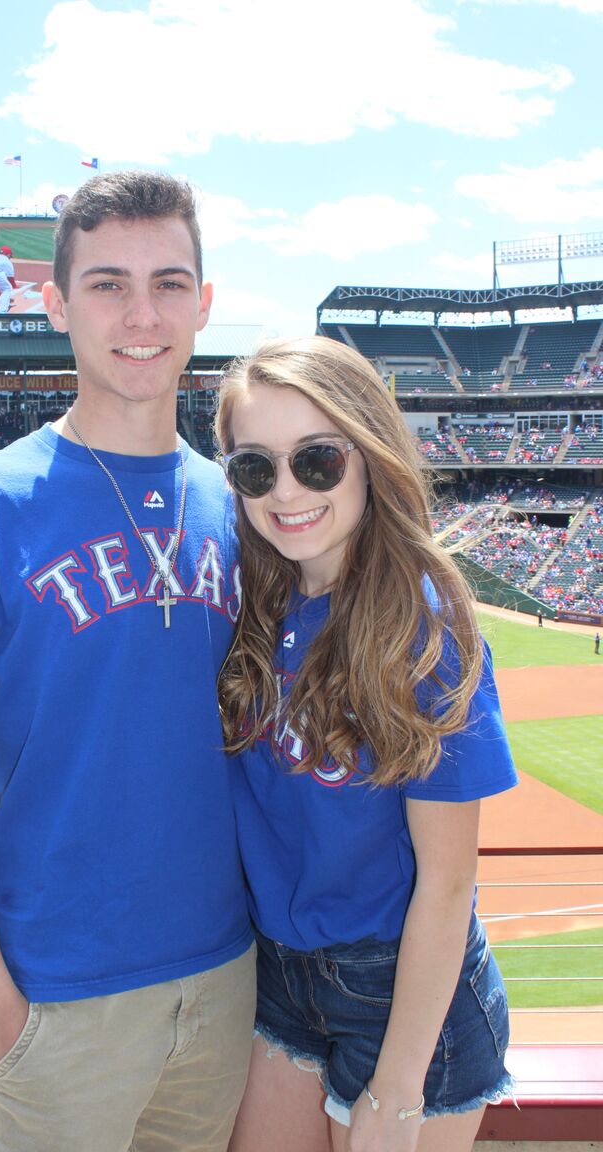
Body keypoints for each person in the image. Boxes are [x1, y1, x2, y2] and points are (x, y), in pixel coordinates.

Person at [0, 171, 255, 1152]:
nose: (141, 313)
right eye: (107, 283)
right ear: (55, 302)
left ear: (204, 304)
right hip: (52, 999)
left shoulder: (238, 507)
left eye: (169, 283)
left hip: (224, 984)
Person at [214, 336, 518, 1152]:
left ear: (370, 452)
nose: (285, 492)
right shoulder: (257, 606)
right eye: (254, 468)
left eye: (316, 461)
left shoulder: (424, 629)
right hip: (280, 976)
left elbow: (449, 885)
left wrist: (398, 1087)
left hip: (406, 994)